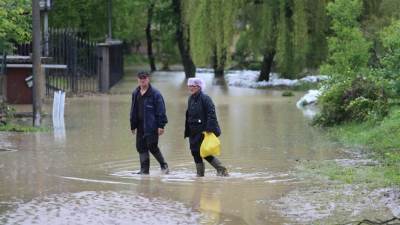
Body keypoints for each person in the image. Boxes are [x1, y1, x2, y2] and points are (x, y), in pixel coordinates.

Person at [184, 77, 229, 177]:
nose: (191, 88)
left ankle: (222, 170)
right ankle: (200, 175)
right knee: (194, 152)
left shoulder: (205, 98)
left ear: (199, 87)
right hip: (192, 131)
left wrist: (209, 129)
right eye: (189, 86)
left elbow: (211, 114)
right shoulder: (190, 98)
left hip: (203, 131)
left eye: (193, 86)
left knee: (205, 152)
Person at [130, 71, 169, 175]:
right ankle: (144, 170)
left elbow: (161, 110)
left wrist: (161, 125)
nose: (142, 80)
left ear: (148, 79)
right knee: (140, 147)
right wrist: (133, 125)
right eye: (140, 78)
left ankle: (164, 165)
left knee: (152, 146)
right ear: (137, 80)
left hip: (152, 126)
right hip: (139, 126)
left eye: (144, 78)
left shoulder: (155, 94)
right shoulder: (135, 93)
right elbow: (133, 110)